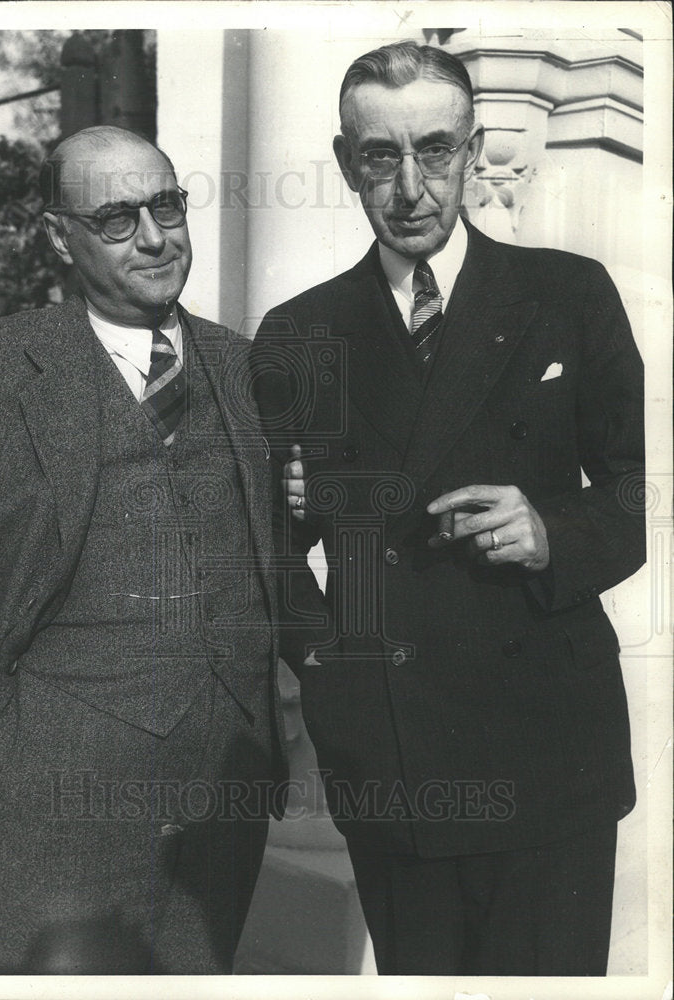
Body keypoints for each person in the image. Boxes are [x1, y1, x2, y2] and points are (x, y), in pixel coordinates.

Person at [250, 41, 644, 976]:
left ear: (473, 151)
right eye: (381, 157)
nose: (411, 187)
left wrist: (553, 530)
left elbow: (639, 486)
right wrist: (329, 671)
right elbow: (266, 544)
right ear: (348, 163)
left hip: (550, 750)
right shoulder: (301, 331)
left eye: (435, 150)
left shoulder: (567, 294)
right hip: (394, 752)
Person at [0, 125, 288, 975]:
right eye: (115, 218)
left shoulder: (244, 365)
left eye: (167, 205)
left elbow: (277, 538)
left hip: (224, 789)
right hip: (55, 796)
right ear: (56, 235)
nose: (154, 237)